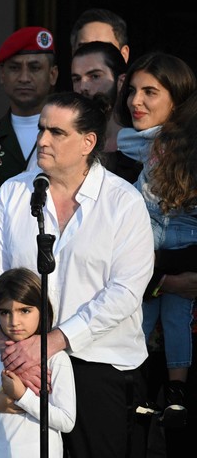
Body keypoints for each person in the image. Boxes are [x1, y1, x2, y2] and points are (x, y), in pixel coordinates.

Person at [0, 91, 154, 457]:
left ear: (89, 142)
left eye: (57, 132)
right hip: (20, 362)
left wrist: (52, 341)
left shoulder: (123, 202)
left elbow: (124, 292)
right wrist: (7, 342)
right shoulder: (14, 193)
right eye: (42, 129)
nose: (42, 140)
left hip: (98, 364)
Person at [115, 52, 197, 429]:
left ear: (177, 99)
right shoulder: (116, 154)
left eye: (150, 92)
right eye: (132, 90)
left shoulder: (191, 155)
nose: (136, 101)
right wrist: (163, 280)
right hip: (137, 305)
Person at [0, 267, 76, 457]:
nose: (14, 321)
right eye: (5, 312)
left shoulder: (56, 358)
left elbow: (66, 421)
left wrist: (23, 396)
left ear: (42, 309)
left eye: (24, 310)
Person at [0, 26, 58, 194]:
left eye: (34, 68)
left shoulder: (71, 137)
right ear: (2, 75)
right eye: (14, 68)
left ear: (52, 75)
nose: (24, 78)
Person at [71, 40, 142, 182]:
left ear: (121, 81)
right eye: (76, 79)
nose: (83, 87)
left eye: (94, 76)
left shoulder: (144, 144)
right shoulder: (69, 141)